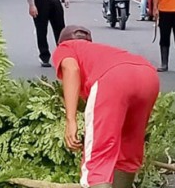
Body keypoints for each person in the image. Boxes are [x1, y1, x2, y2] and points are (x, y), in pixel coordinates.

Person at [53, 25, 159, 188]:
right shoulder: (101, 50)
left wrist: (71, 120)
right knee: (129, 149)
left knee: (99, 155)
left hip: (113, 79)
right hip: (148, 76)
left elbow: (71, 68)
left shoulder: (66, 47)